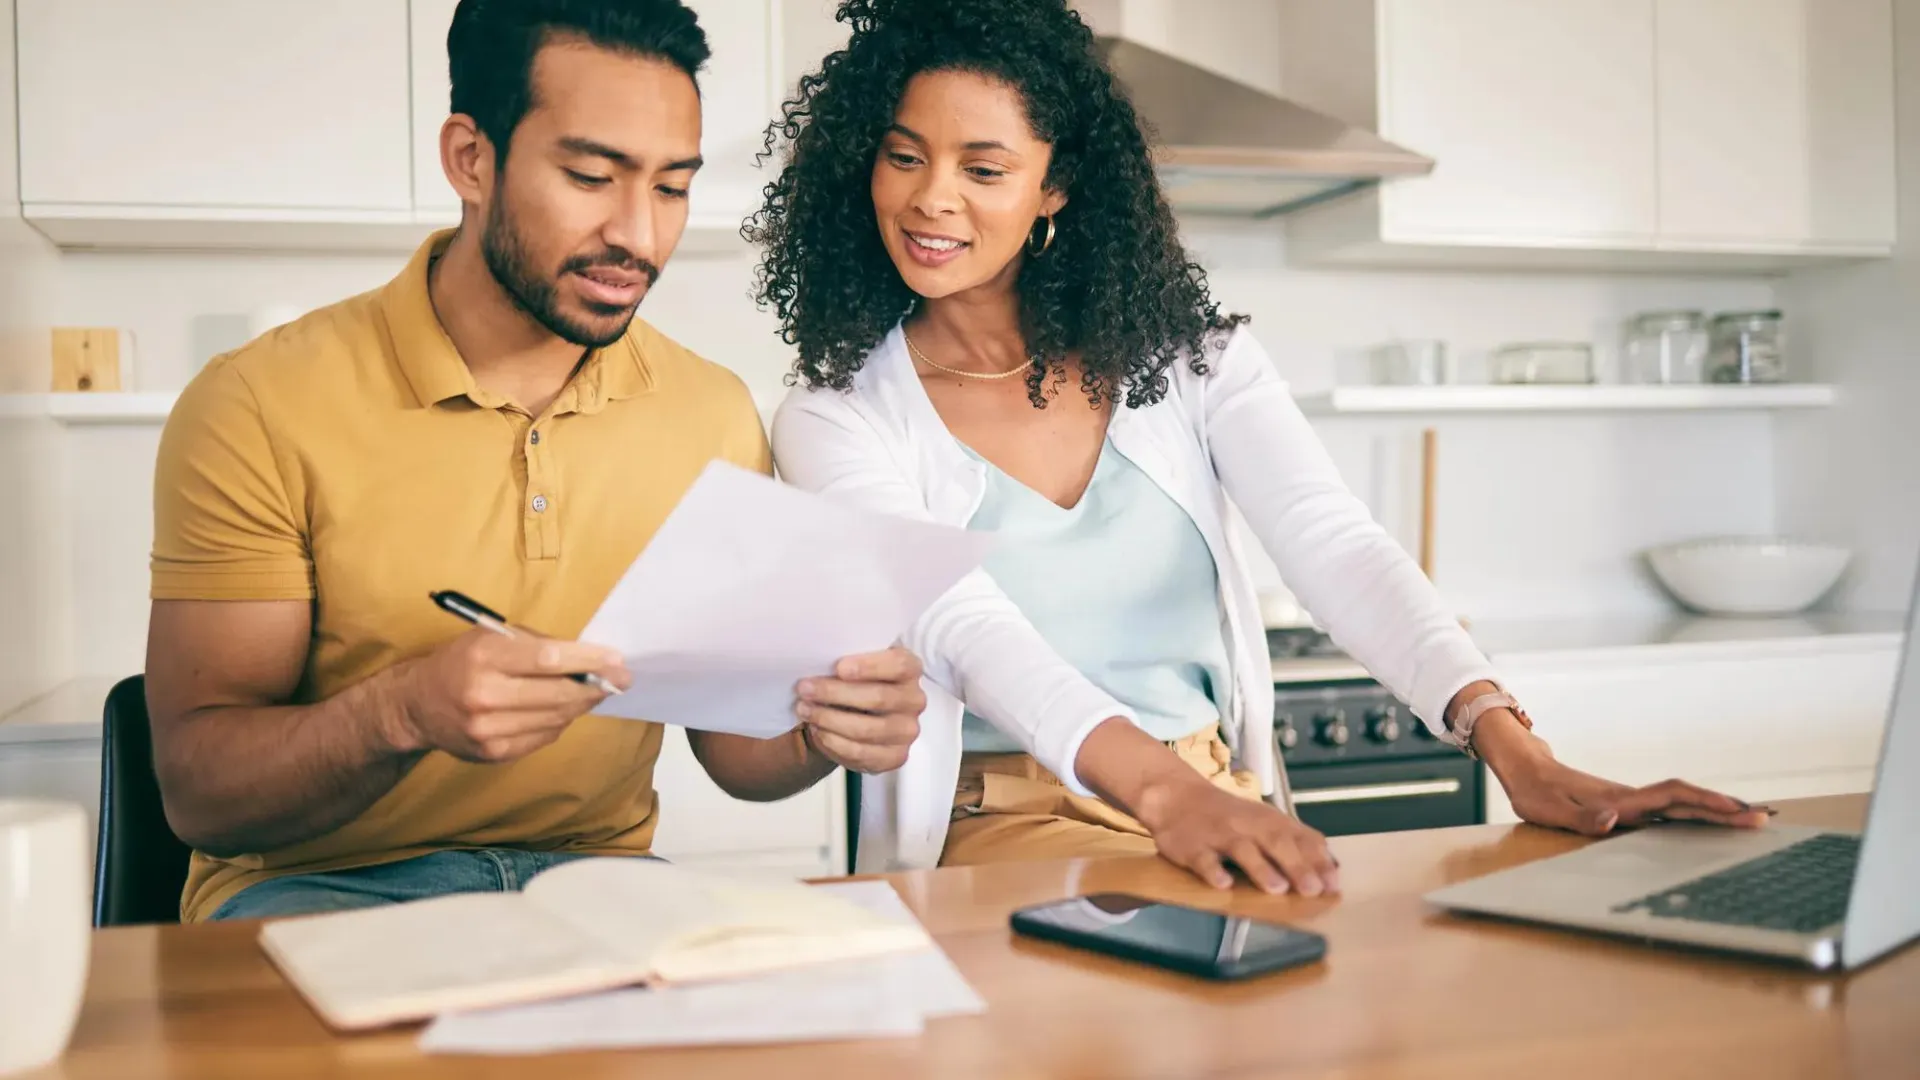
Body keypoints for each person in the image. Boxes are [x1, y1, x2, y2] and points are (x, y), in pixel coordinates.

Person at [750, 0, 1770, 895]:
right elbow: (964, 630)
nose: (932, 198)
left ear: (1053, 189)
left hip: (1213, 789)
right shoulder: (839, 416)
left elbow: (1336, 545)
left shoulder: (1195, 360)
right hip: (1006, 817)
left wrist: (1515, 750)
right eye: (903, 155)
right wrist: (1163, 795)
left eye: (984, 168)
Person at [145, 0, 923, 923]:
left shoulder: (708, 413)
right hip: (319, 893)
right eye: (593, 175)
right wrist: (399, 714)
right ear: (471, 159)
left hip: (602, 892)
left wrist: (830, 728)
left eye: (672, 187)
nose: (640, 234)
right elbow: (202, 795)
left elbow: (736, 751)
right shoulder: (259, 403)